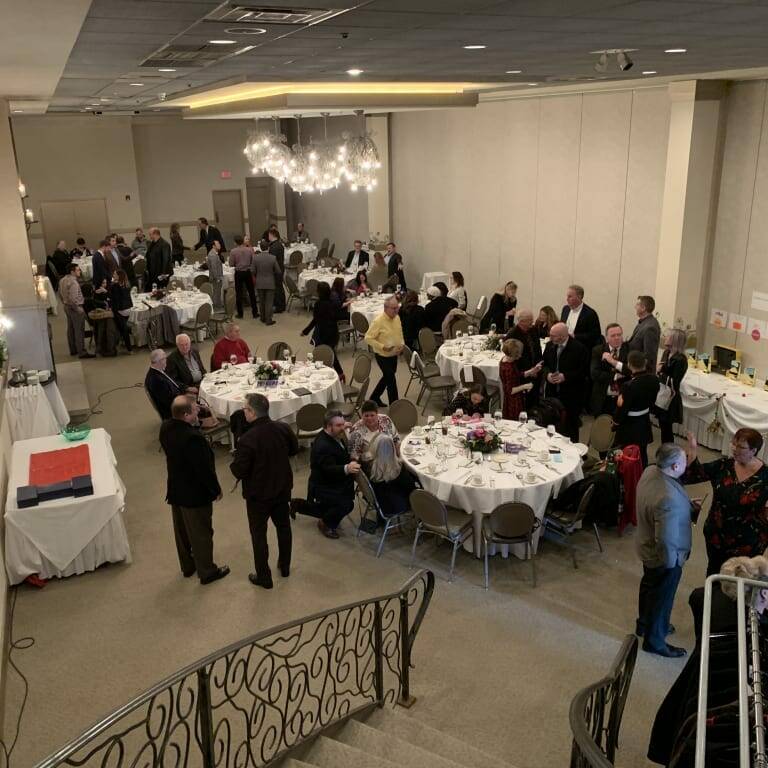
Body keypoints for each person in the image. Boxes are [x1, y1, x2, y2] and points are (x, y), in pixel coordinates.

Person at [230, 393, 299, 588]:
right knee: (284, 528)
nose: (244, 412)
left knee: (259, 535)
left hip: (258, 496)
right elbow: (294, 450)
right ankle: (284, 567)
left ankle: (264, 577)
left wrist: (234, 461)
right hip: (282, 489)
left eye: (244, 409)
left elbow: (239, 470)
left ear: (251, 412)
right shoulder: (283, 428)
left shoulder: (247, 439)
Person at [159, 396, 229, 585]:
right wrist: (216, 489)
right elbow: (203, 470)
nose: (199, 411)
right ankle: (207, 571)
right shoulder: (194, 439)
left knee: (182, 533)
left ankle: (188, 566)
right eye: (195, 410)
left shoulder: (166, 428)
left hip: (176, 489)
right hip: (194, 494)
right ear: (186, 414)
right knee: (201, 534)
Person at [683, 428, 768, 576]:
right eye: (733, 444)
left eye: (740, 447)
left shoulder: (765, 476)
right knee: (714, 573)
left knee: (739, 580)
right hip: (717, 536)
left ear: (754, 450)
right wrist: (693, 451)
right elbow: (693, 475)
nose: (734, 449)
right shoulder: (724, 465)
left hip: (747, 543)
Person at [635, 443, 691, 658]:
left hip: (645, 545)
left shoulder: (650, 471)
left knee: (648, 587)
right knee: (662, 597)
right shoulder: (668, 498)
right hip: (664, 557)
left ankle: (643, 624)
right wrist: (671, 565)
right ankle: (655, 641)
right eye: (685, 460)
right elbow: (666, 540)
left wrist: (685, 507)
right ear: (676, 466)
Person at [301, 410, 360, 539]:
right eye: (339, 425)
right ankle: (325, 524)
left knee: (332, 505)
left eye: (342, 424)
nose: (342, 428)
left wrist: (344, 426)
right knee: (347, 504)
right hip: (323, 484)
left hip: (329, 481)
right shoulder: (323, 446)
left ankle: (298, 505)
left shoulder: (331, 435)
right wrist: (347, 468)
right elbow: (328, 470)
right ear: (328, 426)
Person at [612, 350, 660, 467]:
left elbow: (623, 409)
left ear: (629, 364)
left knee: (627, 452)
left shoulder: (628, 386)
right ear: (645, 363)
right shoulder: (654, 380)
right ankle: (643, 473)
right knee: (642, 451)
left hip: (630, 426)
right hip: (644, 421)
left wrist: (615, 423)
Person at [542, 322, 588, 443]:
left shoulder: (579, 349)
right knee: (551, 426)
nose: (550, 338)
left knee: (570, 428)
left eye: (553, 336)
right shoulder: (549, 346)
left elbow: (584, 372)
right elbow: (544, 364)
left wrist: (565, 376)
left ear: (562, 336)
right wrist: (547, 375)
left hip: (571, 395)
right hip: (552, 394)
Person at [365, 296, 404, 407]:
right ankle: (395, 406)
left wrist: (402, 344)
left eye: (397, 307)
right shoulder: (378, 321)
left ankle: (374, 397)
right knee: (391, 380)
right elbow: (368, 338)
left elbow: (399, 332)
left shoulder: (397, 317)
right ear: (386, 308)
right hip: (382, 355)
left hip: (394, 354)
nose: (396, 310)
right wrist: (382, 346)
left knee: (387, 377)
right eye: (394, 308)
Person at [367, 433, 417, 519]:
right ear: (392, 448)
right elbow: (411, 488)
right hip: (395, 506)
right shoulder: (397, 468)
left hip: (380, 503)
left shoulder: (371, 466)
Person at [301, 283, 344, 379]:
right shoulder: (333, 304)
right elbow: (339, 317)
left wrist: (306, 331)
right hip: (333, 332)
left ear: (319, 292)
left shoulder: (318, 304)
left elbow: (315, 320)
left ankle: (322, 373)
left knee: (319, 353)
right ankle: (340, 373)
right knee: (331, 353)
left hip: (322, 332)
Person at [654, 328, 689, 444]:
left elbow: (675, 382)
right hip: (661, 392)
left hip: (670, 396)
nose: (665, 337)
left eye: (668, 336)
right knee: (662, 426)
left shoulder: (681, 359)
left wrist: (661, 371)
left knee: (666, 429)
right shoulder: (666, 352)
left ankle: (668, 451)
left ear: (675, 340)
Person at [590, 323, 629, 416]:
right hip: (602, 397)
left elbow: (630, 371)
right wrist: (615, 376)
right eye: (613, 335)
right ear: (607, 338)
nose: (617, 338)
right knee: (601, 427)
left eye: (619, 335)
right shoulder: (598, 350)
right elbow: (594, 373)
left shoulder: (629, 349)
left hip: (622, 398)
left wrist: (612, 361)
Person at [507, 308, 543, 407]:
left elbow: (537, 349)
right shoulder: (512, 334)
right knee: (524, 403)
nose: (532, 322)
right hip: (522, 373)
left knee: (535, 399)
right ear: (521, 321)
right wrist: (529, 371)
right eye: (530, 320)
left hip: (536, 369)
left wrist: (537, 367)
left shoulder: (533, 330)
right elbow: (512, 357)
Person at [59, 263, 94, 359]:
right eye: (78, 270)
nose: (80, 271)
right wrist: (77, 308)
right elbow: (73, 298)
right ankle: (82, 352)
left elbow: (60, 294)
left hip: (67, 307)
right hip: (75, 308)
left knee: (71, 329)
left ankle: (73, 349)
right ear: (72, 271)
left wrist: (64, 303)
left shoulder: (62, 280)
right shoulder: (73, 283)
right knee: (79, 330)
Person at [498, 339, 535, 420]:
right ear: (512, 355)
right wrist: (525, 386)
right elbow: (510, 391)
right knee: (515, 422)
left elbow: (516, 375)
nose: (520, 356)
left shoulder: (504, 360)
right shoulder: (509, 368)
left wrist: (531, 371)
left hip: (510, 399)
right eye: (517, 354)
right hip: (513, 401)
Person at [560, 285, 601, 351]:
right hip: (563, 346)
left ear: (579, 297)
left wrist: (575, 336)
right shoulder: (565, 309)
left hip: (580, 349)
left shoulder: (590, 313)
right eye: (567, 296)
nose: (567, 299)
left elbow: (595, 335)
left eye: (570, 296)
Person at [145, 349, 184, 419]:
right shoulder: (155, 380)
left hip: (176, 396)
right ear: (159, 361)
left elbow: (172, 382)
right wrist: (185, 398)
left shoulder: (159, 369)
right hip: (171, 408)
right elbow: (169, 401)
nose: (167, 360)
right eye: (164, 358)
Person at [252, 240, 281, 326]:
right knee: (269, 302)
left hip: (259, 282)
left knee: (261, 301)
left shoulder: (255, 258)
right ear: (268, 247)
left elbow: (252, 271)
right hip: (270, 282)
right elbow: (278, 271)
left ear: (260, 248)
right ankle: (268, 320)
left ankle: (262, 318)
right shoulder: (272, 258)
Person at [628, 295, 661, 370]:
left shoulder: (650, 327)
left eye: (637, 305)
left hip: (642, 373)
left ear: (643, 308)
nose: (635, 307)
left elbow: (649, 356)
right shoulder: (643, 323)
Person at [228, 234, 257, 319]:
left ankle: (240, 314)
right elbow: (253, 261)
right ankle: (255, 312)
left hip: (239, 273)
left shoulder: (233, 251)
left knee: (239, 293)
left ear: (235, 242)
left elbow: (231, 264)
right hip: (248, 272)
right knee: (251, 292)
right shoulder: (249, 250)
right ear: (242, 241)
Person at [109, 269, 133, 354]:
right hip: (129, 308)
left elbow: (113, 299)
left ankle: (128, 347)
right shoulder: (127, 284)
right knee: (124, 327)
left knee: (122, 329)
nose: (113, 275)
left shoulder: (114, 286)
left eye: (115, 274)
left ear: (118, 276)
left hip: (120, 310)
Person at [268, 228, 286, 313]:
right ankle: (282, 305)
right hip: (281, 268)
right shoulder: (279, 244)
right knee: (280, 287)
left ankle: (279, 306)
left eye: (269, 235)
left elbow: (272, 260)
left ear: (272, 235)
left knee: (277, 288)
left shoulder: (274, 246)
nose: (268, 236)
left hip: (276, 270)